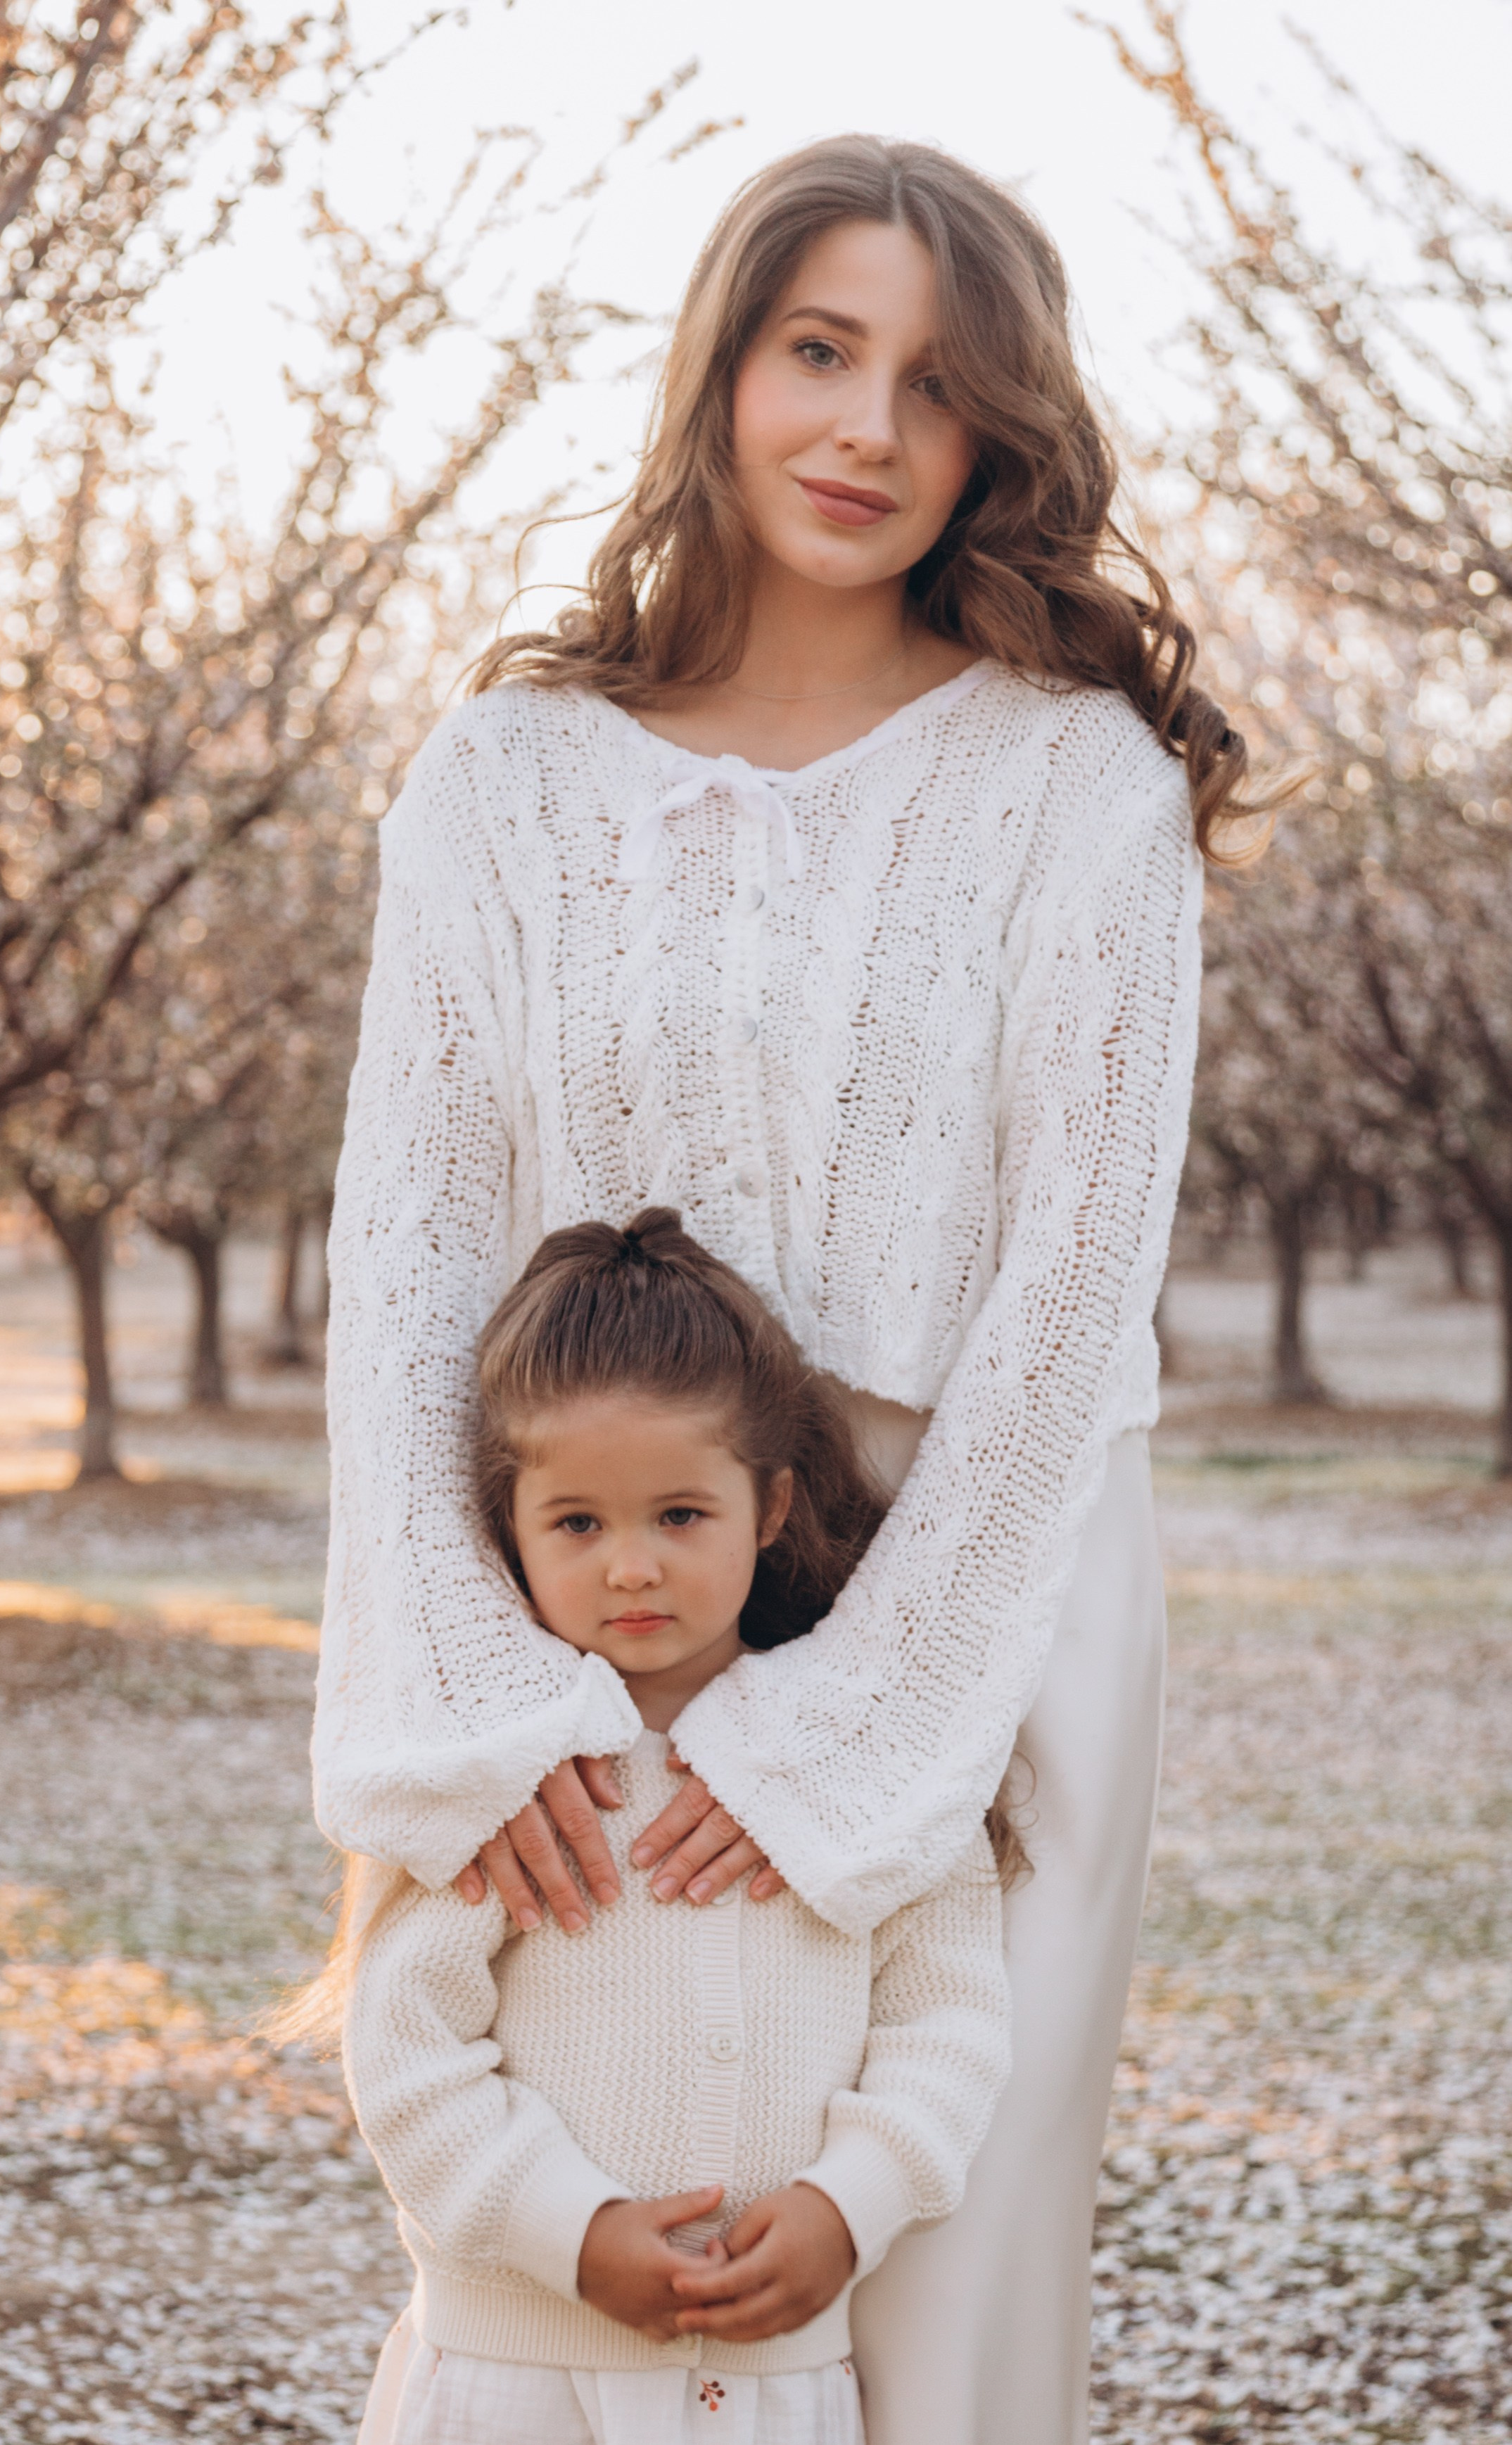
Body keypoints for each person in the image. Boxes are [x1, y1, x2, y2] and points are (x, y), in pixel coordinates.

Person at [315, 134, 1249, 2441]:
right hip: (575, 1574)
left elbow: (1067, 1293)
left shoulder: (1078, 789)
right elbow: (405, 1261)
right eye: (813, 351)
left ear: (996, 438)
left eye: (932, 387)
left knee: (925, 2286)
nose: (860, 430)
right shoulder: (493, 780)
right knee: (552, 2264)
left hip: (979, 1581)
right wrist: (469, 1682)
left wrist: (847, 1729)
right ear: (718, 371)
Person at [310, 1211, 1010, 2445]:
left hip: (774, 2391)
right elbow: (407, 2050)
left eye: (679, 1516)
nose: (630, 1568)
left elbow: (947, 2020)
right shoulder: (497, 1774)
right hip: (508, 2384)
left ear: (772, 1504)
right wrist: (567, 2233)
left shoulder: (871, 1758)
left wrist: (849, 2205)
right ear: (510, 1532)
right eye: (577, 1524)